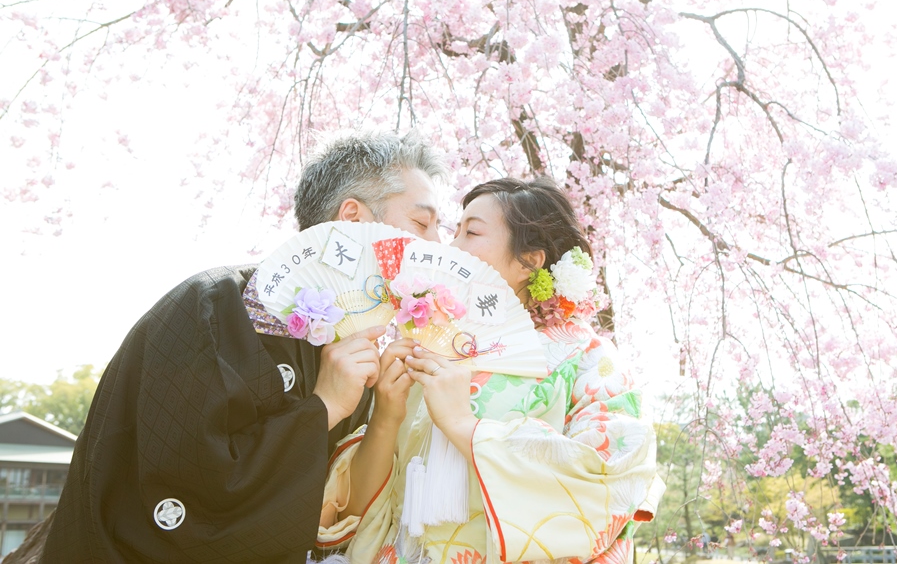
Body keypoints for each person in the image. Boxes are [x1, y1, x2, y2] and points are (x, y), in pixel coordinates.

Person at [37, 132, 447, 564]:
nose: (438, 243)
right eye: (422, 224)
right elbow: (189, 491)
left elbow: (331, 517)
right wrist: (322, 407)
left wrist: (384, 413)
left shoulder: (352, 346)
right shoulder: (215, 304)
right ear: (353, 218)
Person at [316, 177, 663, 564]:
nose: (450, 247)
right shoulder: (430, 348)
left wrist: (467, 427)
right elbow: (355, 514)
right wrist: (385, 417)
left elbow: (606, 485)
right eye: (455, 230)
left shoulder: (587, 357)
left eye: (472, 232)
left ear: (528, 262)